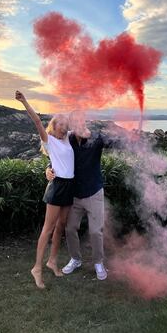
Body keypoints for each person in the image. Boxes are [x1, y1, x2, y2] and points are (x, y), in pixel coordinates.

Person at [46, 110, 118, 281]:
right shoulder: (67, 140)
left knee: (95, 231)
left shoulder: (95, 138)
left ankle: (99, 263)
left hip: (94, 193)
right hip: (75, 196)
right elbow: (56, 158)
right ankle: (76, 259)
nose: (78, 124)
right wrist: (48, 170)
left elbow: (114, 143)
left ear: (84, 121)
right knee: (70, 228)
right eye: (74, 121)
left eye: (80, 121)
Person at [15, 90, 74, 289]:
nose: (65, 127)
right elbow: (37, 122)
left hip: (69, 186)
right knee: (48, 229)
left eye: (66, 124)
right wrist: (24, 102)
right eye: (61, 124)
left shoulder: (68, 139)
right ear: (54, 126)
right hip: (57, 187)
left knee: (61, 227)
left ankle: (52, 261)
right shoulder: (49, 141)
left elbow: (81, 120)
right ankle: (37, 268)